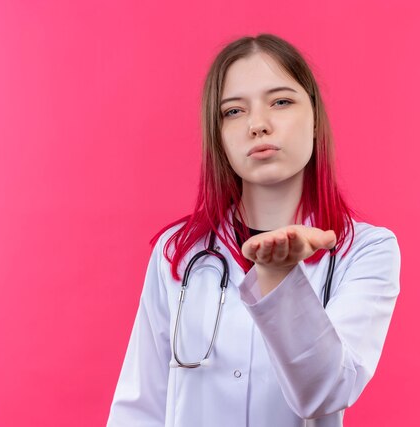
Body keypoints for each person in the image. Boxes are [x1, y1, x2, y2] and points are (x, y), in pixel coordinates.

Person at [106, 33, 401, 427]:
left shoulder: (365, 250)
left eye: (280, 102)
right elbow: (140, 405)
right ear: (219, 137)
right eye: (233, 111)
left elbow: (326, 393)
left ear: (314, 119)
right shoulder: (178, 251)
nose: (258, 125)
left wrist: (279, 279)